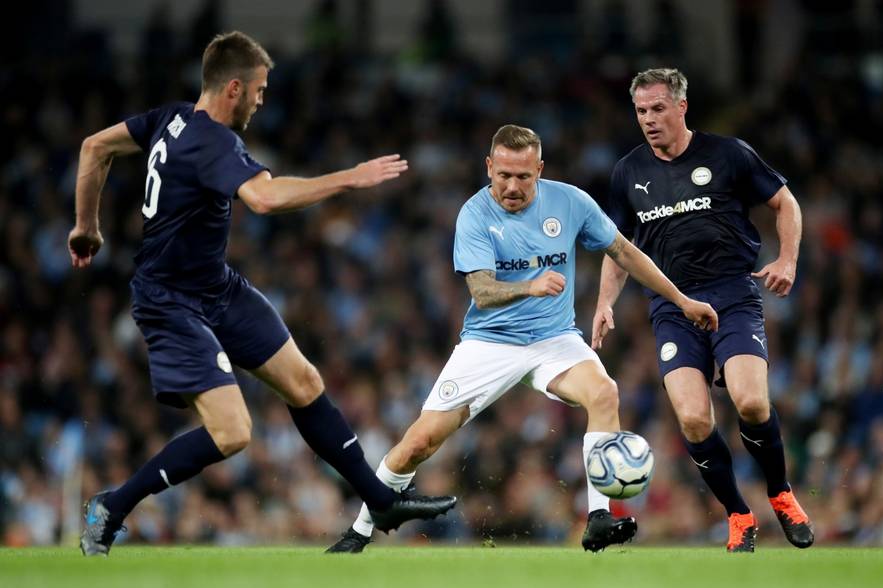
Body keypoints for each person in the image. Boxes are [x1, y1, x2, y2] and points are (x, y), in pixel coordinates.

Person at [70, 31, 456, 557]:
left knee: (303, 380)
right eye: (259, 90)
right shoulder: (213, 140)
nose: (261, 99)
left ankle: (376, 498)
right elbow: (266, 198)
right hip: (170, 300)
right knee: (232, 432)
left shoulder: (171, 117)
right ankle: (111, 507)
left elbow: (96, 147)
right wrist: (350, 177)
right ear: (234, 87)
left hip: (215, 287)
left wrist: (86, 227)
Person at [326, 124, 718, 554]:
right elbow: (481, 291)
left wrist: (681, 300)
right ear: (489, 167)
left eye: (523, 177)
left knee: (604, 392)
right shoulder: (474, 214)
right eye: (504, 175)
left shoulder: (570, 202)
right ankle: (359, 531)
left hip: (554, 339)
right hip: (490, 342)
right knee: (420, 442)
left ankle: (599, 518)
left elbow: (623, 251)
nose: (512, 186)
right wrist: (528, 287)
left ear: (540, 170)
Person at [593, 68, 813, 553]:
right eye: (641, 111)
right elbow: (619, 246)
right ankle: (738, 514)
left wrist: (787, 258)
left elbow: (785, 202)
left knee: (752, 403)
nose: (648, 120)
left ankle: (780, 494)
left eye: (657, 109)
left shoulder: (728, 154)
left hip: (732, 293)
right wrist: (605, 302)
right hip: (674, 306)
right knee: (693, 418)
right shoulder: (628, 172)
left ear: (681, 106)